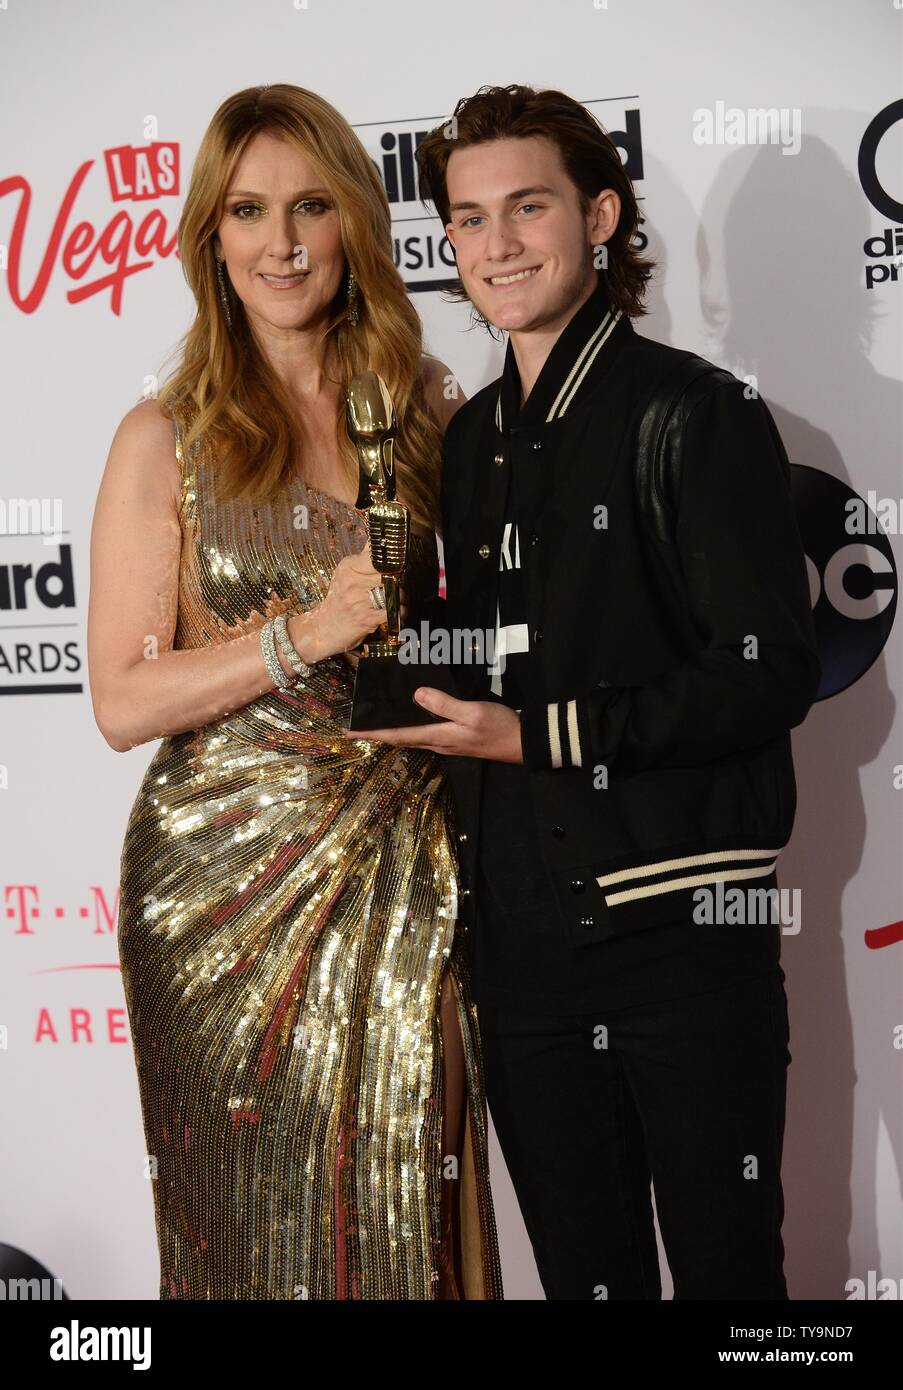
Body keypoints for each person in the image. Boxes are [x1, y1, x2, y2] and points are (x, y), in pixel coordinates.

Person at [345, 83, 821, 1299]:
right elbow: (498, 652)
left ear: (600, 214)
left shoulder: (694, 414)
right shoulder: (465, 441)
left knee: (731, 1288)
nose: (496, 245)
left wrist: (536, 733)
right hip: (522, 956)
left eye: (529, 207)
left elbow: (765, 674)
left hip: (681, 940)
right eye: (467, 219)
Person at [87, 83, 502, 1301]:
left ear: (356, 223)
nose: (281, 243)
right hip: (218, 890)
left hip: (411, 868)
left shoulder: (430, 413)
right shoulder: (165, 436)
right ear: (211, 236)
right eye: (250, 211)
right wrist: (304, 632)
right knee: (245, 1240)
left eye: (311, 206)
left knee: (411, 1215)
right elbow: (120, 697)